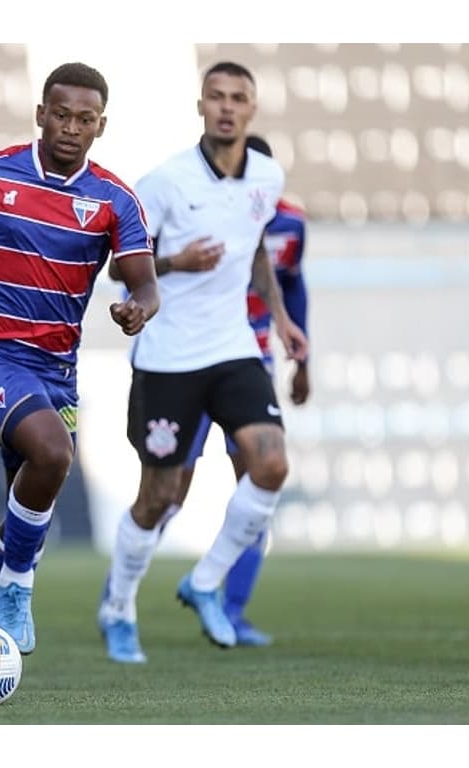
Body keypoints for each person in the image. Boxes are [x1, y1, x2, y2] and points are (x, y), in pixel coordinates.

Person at [0, 61, 160, 654]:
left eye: (85, 119)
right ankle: (18, 588)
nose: (70, 128)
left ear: (101, 126)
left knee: (27, 496)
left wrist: (138, 307)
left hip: (56, 372)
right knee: (54, 453)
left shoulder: (114, 200)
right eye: (60, 115)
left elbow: (145, 284)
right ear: (40, 114)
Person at [96, 61, 308, 664]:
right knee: (160, 495)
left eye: (238, 98)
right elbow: (120, 269)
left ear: (252, 110)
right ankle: (118, 607)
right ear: (201, 105)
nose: (226, 107)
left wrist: (282, 317)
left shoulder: (267, 175)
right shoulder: (164, 182)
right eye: (216, 96)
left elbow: (256, 250)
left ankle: (206, 581)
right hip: (168, 357)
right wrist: (175, 262)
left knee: (270, 464)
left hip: (233, 347)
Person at [155, 133, 310, 648]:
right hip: (190, 358)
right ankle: (123, 597)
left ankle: (231, 609)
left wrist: (300, 355)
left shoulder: (289, 223)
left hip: (251, 360)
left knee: (259, 480)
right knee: (171, 489)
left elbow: (293, 282)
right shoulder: (195, 208)